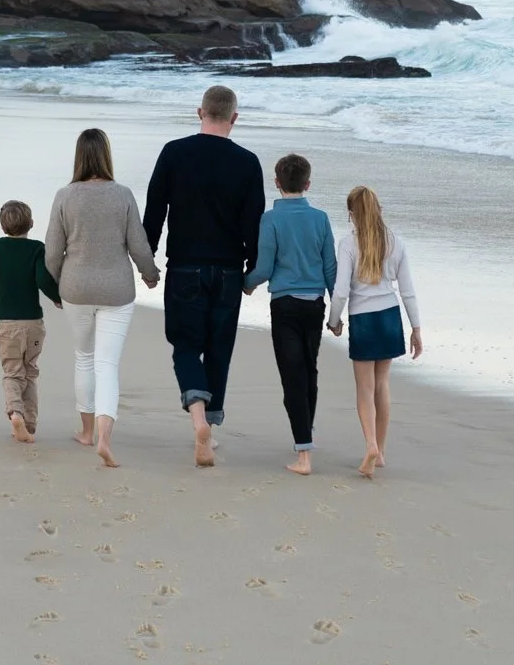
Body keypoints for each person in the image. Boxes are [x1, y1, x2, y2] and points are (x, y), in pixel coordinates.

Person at [143, 85, 265, 468]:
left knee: (184, 344)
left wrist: (147, 262)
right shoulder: (248, 162)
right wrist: (251, 271)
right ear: (234, 117)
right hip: (228, 269)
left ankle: (198, 418)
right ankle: (209, 428)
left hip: (184, 266)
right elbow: (253, 225)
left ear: (200, 112)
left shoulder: (174, 152)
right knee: (219, 349)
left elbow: (154, 211)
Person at [44, 129, 159, 469]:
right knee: (107, 364)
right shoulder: (122, 195)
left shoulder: (64, 196)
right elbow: (138, 244)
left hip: (76, 288)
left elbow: (52, 252)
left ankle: (86, 432)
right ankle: (105, 438)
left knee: (84, 357)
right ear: (106, 155)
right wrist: (150, 273)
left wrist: (59, 284)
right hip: (117, 290)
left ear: (79, 157)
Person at [244, 153, 337, 475]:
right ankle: (305, 435)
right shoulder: (321, 218)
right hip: (315, 303)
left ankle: (304, 452)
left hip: (284, 304)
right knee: (309, 371)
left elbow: (264, 268)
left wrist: (247, 284)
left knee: (292, 376)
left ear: (277, 183)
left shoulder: (270, 219)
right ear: (308, 184)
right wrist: (337, 313)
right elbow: (330, 268)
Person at [327, 185, 423, 478]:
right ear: (378, 208)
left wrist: (334, 320)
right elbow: (408, 291)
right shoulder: (396, 242)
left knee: (365, 389)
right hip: (390, 317)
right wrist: (416, 329)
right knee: (383, 385)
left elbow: (341, 290)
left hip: (363, 318)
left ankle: (369, 444)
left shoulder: (348, 244)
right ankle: (380, 451)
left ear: (351, 214)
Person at [0, 200, 62, 444]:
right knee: (30, 372)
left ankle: (15, 413)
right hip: (33, 323)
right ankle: (29, 424)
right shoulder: (37, 249)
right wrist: (57, 298)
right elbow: (42, 279)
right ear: (31, 223)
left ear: (2, 226)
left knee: (12, 372)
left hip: (8, 323)